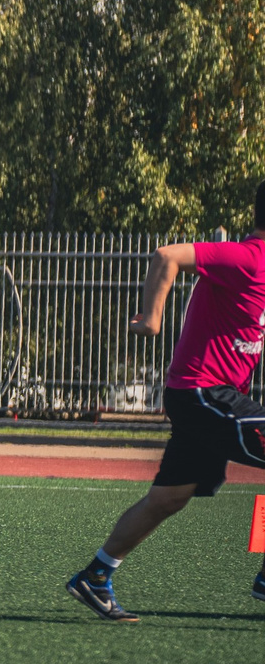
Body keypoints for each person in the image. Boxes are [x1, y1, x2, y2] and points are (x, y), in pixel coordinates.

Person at [63, 185, 265, 621]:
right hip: (202, 393)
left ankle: (95, 575)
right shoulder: (249, 257)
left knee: (168, 498)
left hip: (210, 398)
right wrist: (151, 318)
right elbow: (166, 255)